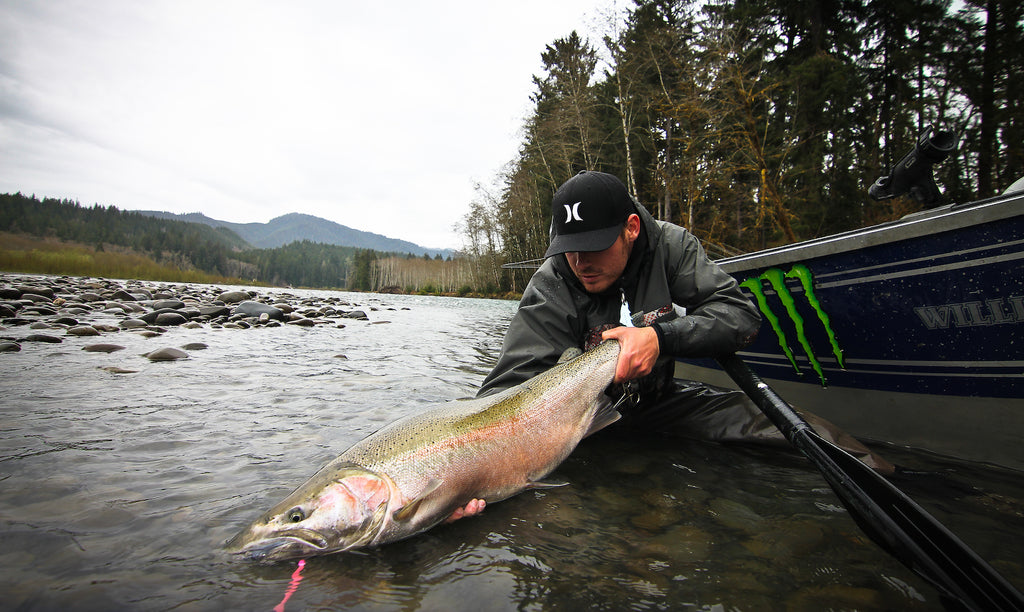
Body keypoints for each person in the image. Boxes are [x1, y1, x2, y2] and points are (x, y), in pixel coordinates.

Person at [449, 170, 892, 523]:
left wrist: (662, 337)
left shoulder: (670, 246)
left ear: (631, 228)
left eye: (593, 247)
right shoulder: (552, 283)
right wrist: (462, 480)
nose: (580, 262)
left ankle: (889, 481)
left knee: (776, 423)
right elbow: (503, 392)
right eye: (570, 249)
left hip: (658, 402)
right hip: (576, 426)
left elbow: (740, 315)